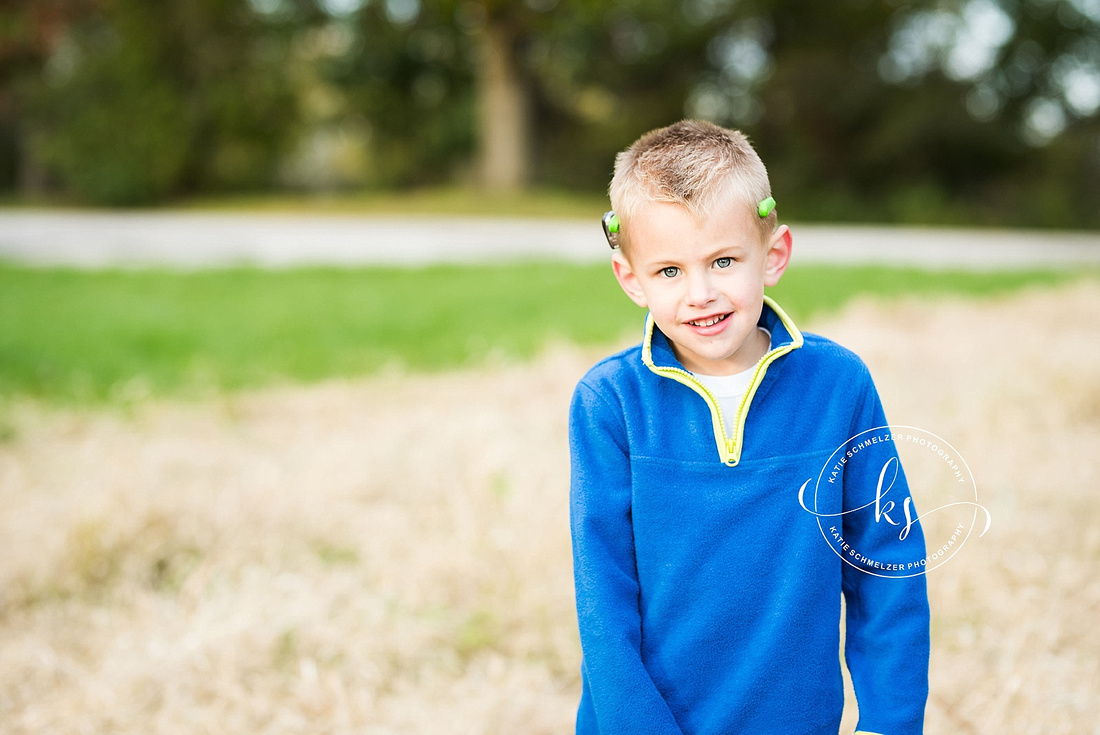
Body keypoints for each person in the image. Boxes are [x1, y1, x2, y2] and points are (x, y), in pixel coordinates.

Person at [568, 120, 930, 734]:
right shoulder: (611, 403)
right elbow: (603, 605)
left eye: (724, 260)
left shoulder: (838, 386)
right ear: (631, 278)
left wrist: (889, 722)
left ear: (775, 255)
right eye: (669, 272)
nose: (701, 293)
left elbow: (887, 565)